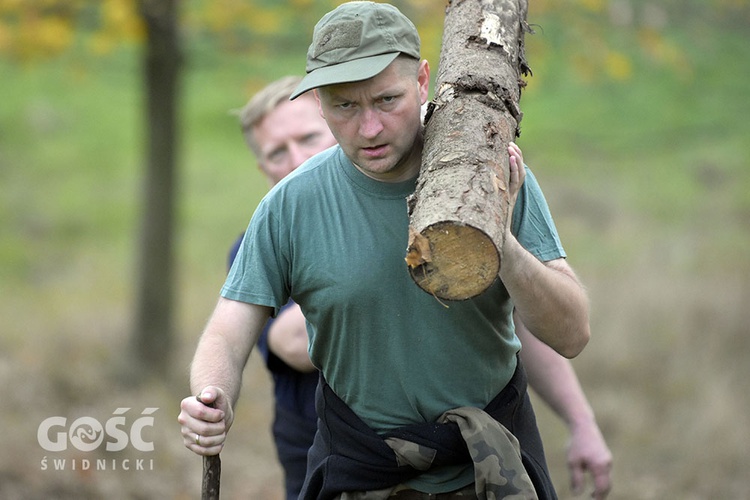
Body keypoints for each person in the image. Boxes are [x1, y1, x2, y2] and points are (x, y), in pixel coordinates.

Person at [180, 3, 604, 498]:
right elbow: (228, 332)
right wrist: (212, 397)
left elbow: (572, 334)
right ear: (318, 100)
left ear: (423, 81)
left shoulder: (488, 175)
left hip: (491, 468)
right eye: (344, 107)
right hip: (361, 471)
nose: (370, 129)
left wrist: (499, 244)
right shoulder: (290, 205)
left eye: (387, 100)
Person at [227, 76, 337, 500]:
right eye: (277, 152)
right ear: (263, 169)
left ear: (338, 126)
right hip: (319, 461)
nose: (296, 159)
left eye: (309, 137)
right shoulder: (254, 247)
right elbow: (295, 343)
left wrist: (567, 416)